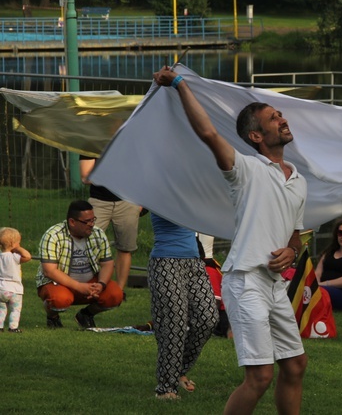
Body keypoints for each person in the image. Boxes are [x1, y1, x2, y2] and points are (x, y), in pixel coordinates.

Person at [153, 67, 307, 414]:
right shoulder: (244, 169)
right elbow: (207, 132)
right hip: (246, 282)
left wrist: (291, 252)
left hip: (274, 287)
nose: (282, 119)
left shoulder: (298, 179)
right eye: (273, 117)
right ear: (256, 136)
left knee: (295, 366)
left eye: (280, 114)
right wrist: (178, 84)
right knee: (260, 377)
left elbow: (295, 236)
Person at [149, 213, 219, 400]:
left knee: (208, 318)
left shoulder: (190, 189)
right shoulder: (160, 191)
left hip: (194, 261)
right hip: (165, 261)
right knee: (174, 324)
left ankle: (177, 370)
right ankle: (166, 388)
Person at [36, 200, 124, 328]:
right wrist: (79, 286)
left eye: (93, 220)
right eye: (87, 222)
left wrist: (101, 284)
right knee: (59, 299)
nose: (92, 225)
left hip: (90, 282)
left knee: (115, 295)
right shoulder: (52, 235)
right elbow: (50, 271)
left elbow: (107, 263)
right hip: (59, 283)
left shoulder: (98, 233)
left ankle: (86, 314)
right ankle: (52, 316)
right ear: (72, 222)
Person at [80, 156, 142, 291]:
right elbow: (86, 176)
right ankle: (89, 285)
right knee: (87, 244)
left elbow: (141, 171)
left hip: (128, 201)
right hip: (99, 201)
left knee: (125, 248)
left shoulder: (129, 141)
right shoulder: (93, 143)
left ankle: (119, 291)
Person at [0, 227, 32, 333]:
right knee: (15, 309)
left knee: (1, 309)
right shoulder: (14, 257)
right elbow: (27, 256)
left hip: (1, 288)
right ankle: (13, 327)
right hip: (14, 289)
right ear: (14, 243)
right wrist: (18, 248)